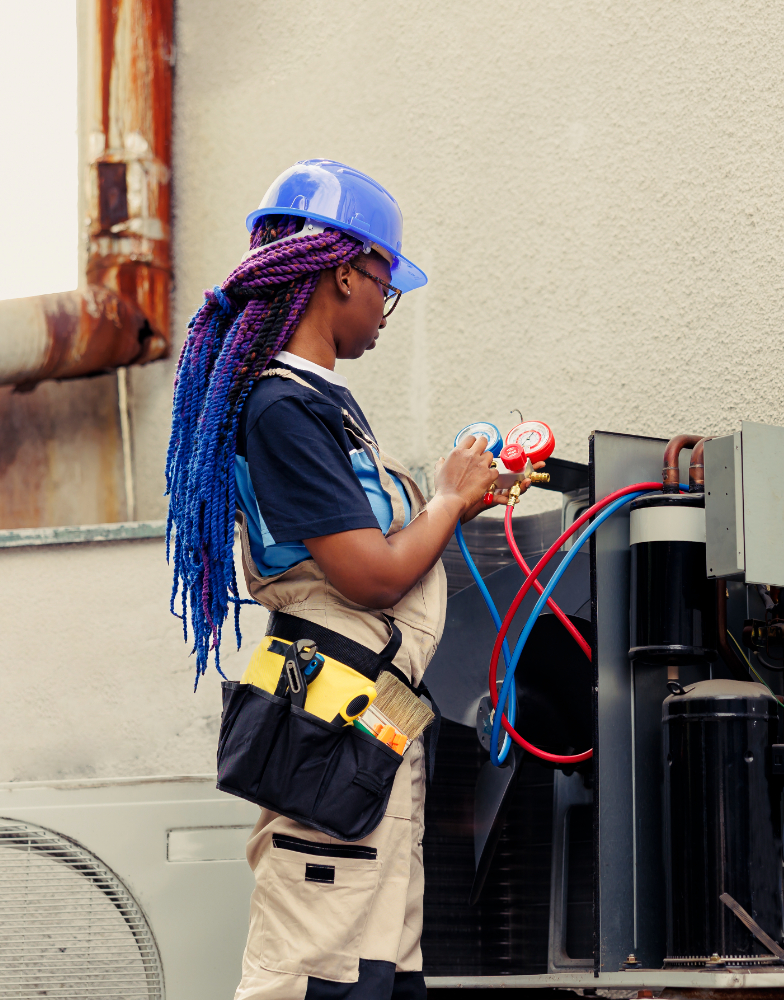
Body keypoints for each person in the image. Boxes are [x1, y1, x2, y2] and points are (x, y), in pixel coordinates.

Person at [166, 159, 532, 1000]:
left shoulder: (322, 404)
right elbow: (369, 577)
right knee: (313, 983)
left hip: (373, 725)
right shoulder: (282, 409)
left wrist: (457, 504)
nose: (383, 307)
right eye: (382, 284)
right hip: (334, 733)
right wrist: (445, 498)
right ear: (341, 271)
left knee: (379, 977)